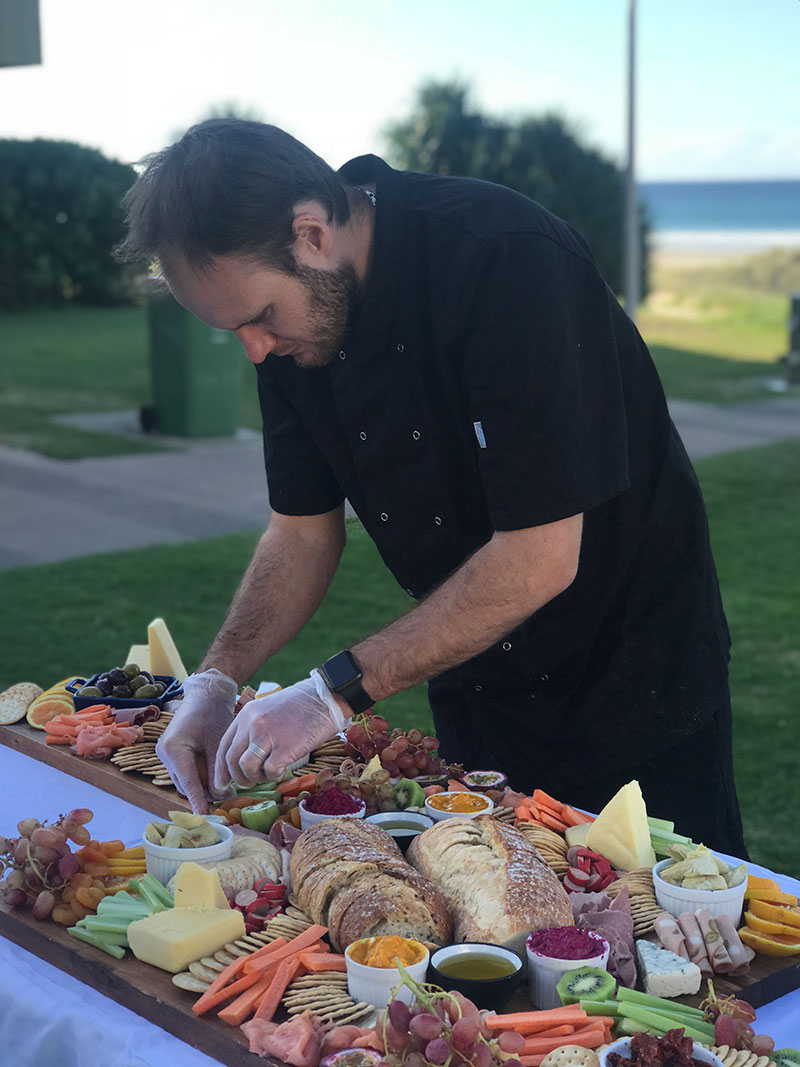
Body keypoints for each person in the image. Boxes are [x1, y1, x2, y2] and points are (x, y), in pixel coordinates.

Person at [116, 119, 748, 856]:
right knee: (492, 923)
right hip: (479, 682)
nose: (255, 349)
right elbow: (301, 531)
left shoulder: (503, 258)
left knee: (674, 938)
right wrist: (216, 682)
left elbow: (539, 556)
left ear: (312, 232)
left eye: (259, 318)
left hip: (635, 682)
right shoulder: (295, 330)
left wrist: (330, 693)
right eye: (235, 331)